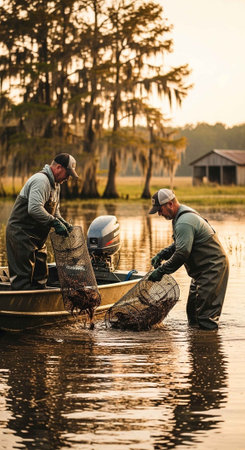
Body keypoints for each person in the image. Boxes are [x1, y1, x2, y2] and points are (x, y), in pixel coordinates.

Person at [148, 188, 229, 330]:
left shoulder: (183, 222)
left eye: (160, 210)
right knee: (193, 315)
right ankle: (196, 349)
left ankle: (209, 348)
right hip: (200, 273)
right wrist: (163, 254)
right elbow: (181, 244)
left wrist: (161, 271)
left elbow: (182, 253)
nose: (159, 214)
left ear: (170, 204)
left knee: (205, 318)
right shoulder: (180, 217)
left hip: (212, 269)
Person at [6, 153, 79, 290]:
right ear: (58, 167)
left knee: (40, 278)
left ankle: (38, 305)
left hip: (38, 240)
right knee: (23, 279)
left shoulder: (56, 185)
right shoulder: (41, 180)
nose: (68, 178)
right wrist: (55, 223)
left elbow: (55, 211)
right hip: (21, 236)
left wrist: (63, 222)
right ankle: (22, 308)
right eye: (67, 173)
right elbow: (34, 208)